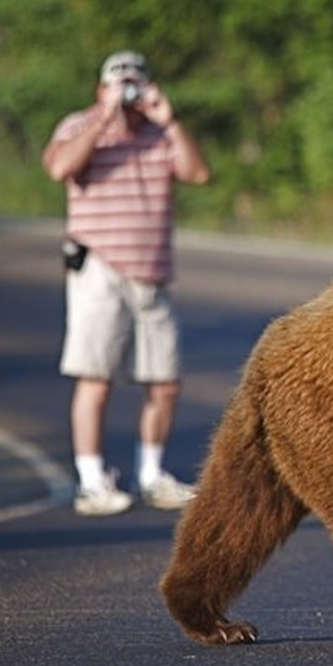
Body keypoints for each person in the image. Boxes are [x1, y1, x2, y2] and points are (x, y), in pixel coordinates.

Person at [43, 50, 210, 516]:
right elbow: (59, 169)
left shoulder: (159, 133)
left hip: (152, 273)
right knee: (95, 378)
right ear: (101, 89)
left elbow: (197, 173)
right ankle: (92, 481)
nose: (129, 92)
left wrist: (171, 121)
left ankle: (151, 473)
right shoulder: (79, 126)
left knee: (165, 381)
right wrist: (103, 119)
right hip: (100, 268)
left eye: (136, 83)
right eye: (120, 83)